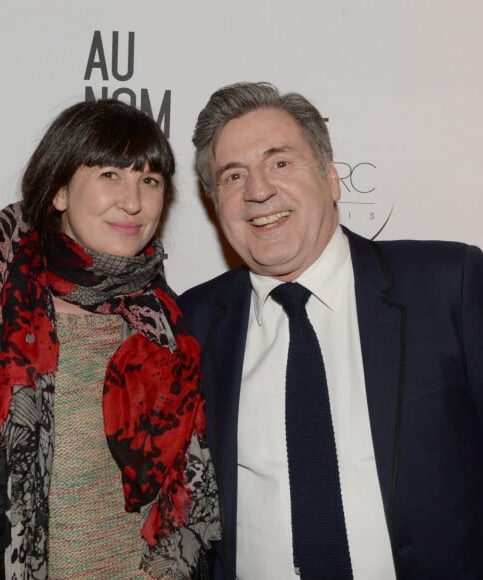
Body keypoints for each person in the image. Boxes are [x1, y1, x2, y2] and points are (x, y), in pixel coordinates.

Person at [0, 99, 220, 580]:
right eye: (110, 175)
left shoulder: (166, 323)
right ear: (59, 191)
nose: (133, 202)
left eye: (149, 181)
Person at [177, 81, 483, 580]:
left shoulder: (450, 284)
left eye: (280, 162)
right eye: (233, 176)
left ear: (331, 177)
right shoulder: (192, 320)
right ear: (216, 205)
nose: (258, 191)